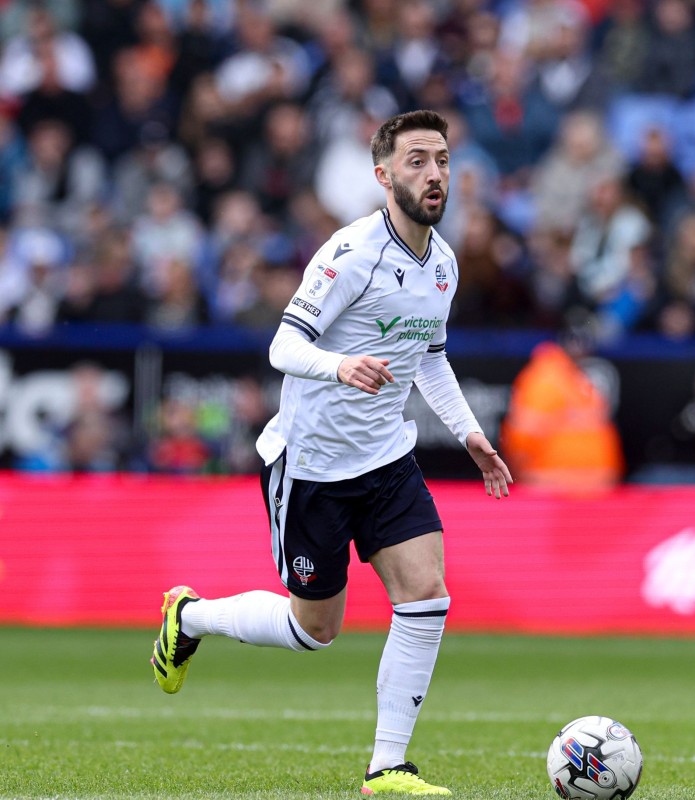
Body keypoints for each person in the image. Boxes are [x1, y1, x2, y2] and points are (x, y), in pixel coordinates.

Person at [149, 109, 513, 796]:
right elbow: (282, 347)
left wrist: (468, 432)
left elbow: (429, 357)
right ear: (383, 176)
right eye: (416, 161)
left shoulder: (443, 264)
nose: (434, 173)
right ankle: (188, 614)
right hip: (313, 465)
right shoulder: (350, 254)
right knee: (315, 630)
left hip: (385, 460)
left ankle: (389, 766)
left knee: (427, 592)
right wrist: (338, 365)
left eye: (441, 159)